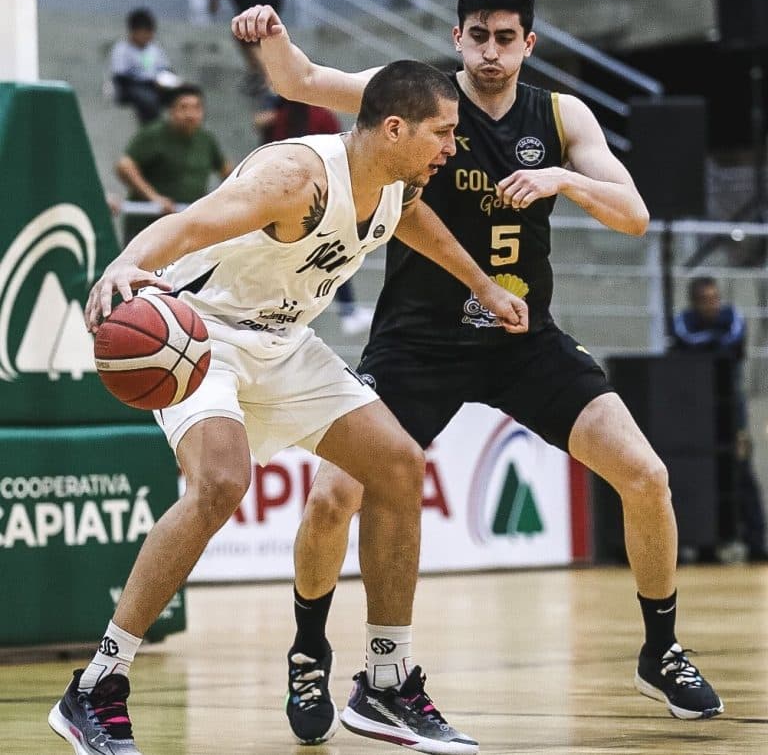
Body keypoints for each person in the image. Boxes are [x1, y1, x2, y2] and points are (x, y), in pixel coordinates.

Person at [231, 0, 725, 748]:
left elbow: (635, 216)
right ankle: (308, 651)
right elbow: (300, 80)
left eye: (507, 38)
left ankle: (661, 650)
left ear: (529, 43)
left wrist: (563, 176)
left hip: (522, 337)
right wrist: (271, 32)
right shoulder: (416, 96)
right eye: (478, 36)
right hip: (419, 343)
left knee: (648, 475)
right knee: (332, 498)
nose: (491, 52)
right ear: (457, 38)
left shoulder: (561, 116)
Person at [48, 60, 529, 755]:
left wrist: (482, 285)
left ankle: (387, 682)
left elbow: (413, 222)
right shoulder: (295, 177)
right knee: (221, 482)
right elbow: (191, 224)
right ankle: (96, 686)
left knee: (397, 464)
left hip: (284, 344)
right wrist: (127, 262)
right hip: (198, 335)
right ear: (393, 128)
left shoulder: (395, 183)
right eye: (442, 133)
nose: (452, 149)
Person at [257, 95, 374, 335]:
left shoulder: (311, 115)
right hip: (295, 195)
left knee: (323, 254)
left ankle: (346, 310)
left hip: (310, 195)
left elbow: (341, 152)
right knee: (316, 255)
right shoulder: (283, 116)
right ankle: (345, 310)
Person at [672, 275, 768, 563]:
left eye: (715, 299)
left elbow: (733, 340)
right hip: (696, 412)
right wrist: (715, 344)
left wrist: (711, 345)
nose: (712, 306)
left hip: (731, 410)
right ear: (694, 302)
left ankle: (756, 542)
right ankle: (705, 545)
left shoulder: (732, 316)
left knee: (742, 473)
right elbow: (687, 341)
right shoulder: (684, 321)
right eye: (705, 301)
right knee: (700, 478)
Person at [115, 84, 233, 247]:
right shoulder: (154, 134)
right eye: (184, 108)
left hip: (187, 227)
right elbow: (125, 166)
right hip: (149, 226)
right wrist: (154, 198)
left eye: (196, 108)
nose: (191, 114)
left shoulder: (206, 140)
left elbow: (227, 171)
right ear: (171, 111)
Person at [208, 0, 288, 97]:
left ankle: (269, 79)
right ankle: (258, 72)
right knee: (255, 36)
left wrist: (213, 0)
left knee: (244, 34)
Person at [109, 8, 180, 124]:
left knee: (182, 95)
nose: (149, 36)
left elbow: (165, 69)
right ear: (134, 32)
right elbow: (121, 76)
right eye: (145, 32)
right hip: (131, 87)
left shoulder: (154, 49)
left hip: (155, 86)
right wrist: (149, 82)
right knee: (148, 99)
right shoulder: (122, 49)